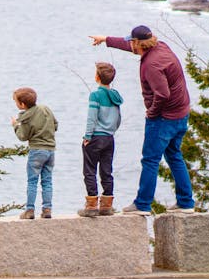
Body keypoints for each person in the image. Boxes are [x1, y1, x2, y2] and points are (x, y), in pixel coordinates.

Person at [89, 25, 195, 213]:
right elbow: (128, 45)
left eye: (132, 41)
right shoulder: (160, 46)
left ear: (138, 43)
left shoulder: (151, 65)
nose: (130, 44)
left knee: (150, 160)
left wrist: (152, 113)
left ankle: (143, 204)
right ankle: (186, 202)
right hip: (181, 113)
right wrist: (106, 39)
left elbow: (162, 94)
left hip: (164, 118)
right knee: (174, 155)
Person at [78, 61, 123, 217]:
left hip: (96, 137)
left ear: (97, 77)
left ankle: (91, 205)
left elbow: (92, 118)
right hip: (109, 138)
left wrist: (87, 136)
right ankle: (106, 205)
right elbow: (118, 119)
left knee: (90, 170)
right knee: (106, 170)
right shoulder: (116, 96)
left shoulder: (95, 95)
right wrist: (111, 131)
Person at [11, 87, 58, 219]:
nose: (16, 104)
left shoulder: (26, 118)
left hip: (37, 150)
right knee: (47, 181)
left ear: (22, 104)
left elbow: (22, 136)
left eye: (16, 102)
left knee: (32, 181)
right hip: (50, 150)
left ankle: (30, 210)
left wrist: (15, 125)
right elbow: (55, 124)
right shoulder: (45, 109)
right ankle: (47, 209)